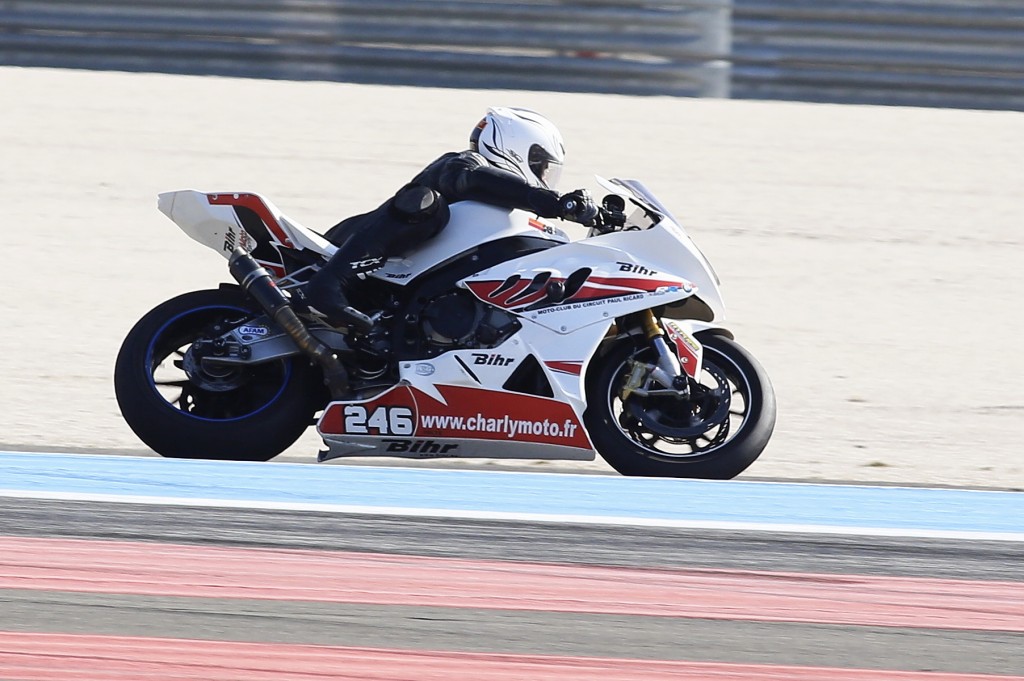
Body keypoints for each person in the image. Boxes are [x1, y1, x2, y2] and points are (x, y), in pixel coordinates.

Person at [304, 106, 599, 333]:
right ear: (519, 151)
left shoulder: (503, 212)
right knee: (425, 204)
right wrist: (555, 202)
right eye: (542, 166)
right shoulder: (461, 165)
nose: (544, 178)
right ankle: (331, 283)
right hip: (344, 249)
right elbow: (468, 179)